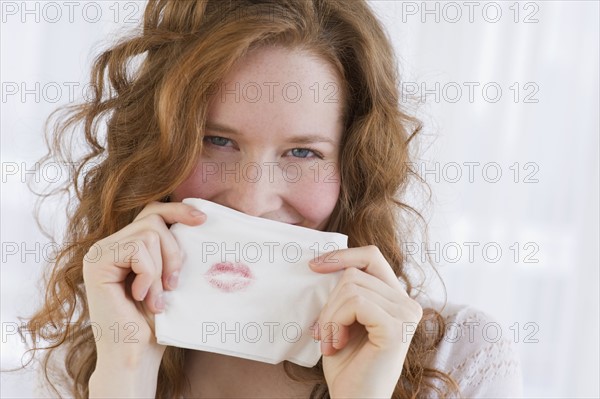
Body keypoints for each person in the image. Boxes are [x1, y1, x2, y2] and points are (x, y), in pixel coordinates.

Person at [15, 0, 523, 398]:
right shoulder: (88, 360)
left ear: (355, 167)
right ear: (155, 149)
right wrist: (125, 377)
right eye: (217, 140)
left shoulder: (459, 356)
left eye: (302, 152)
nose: (252, 201)